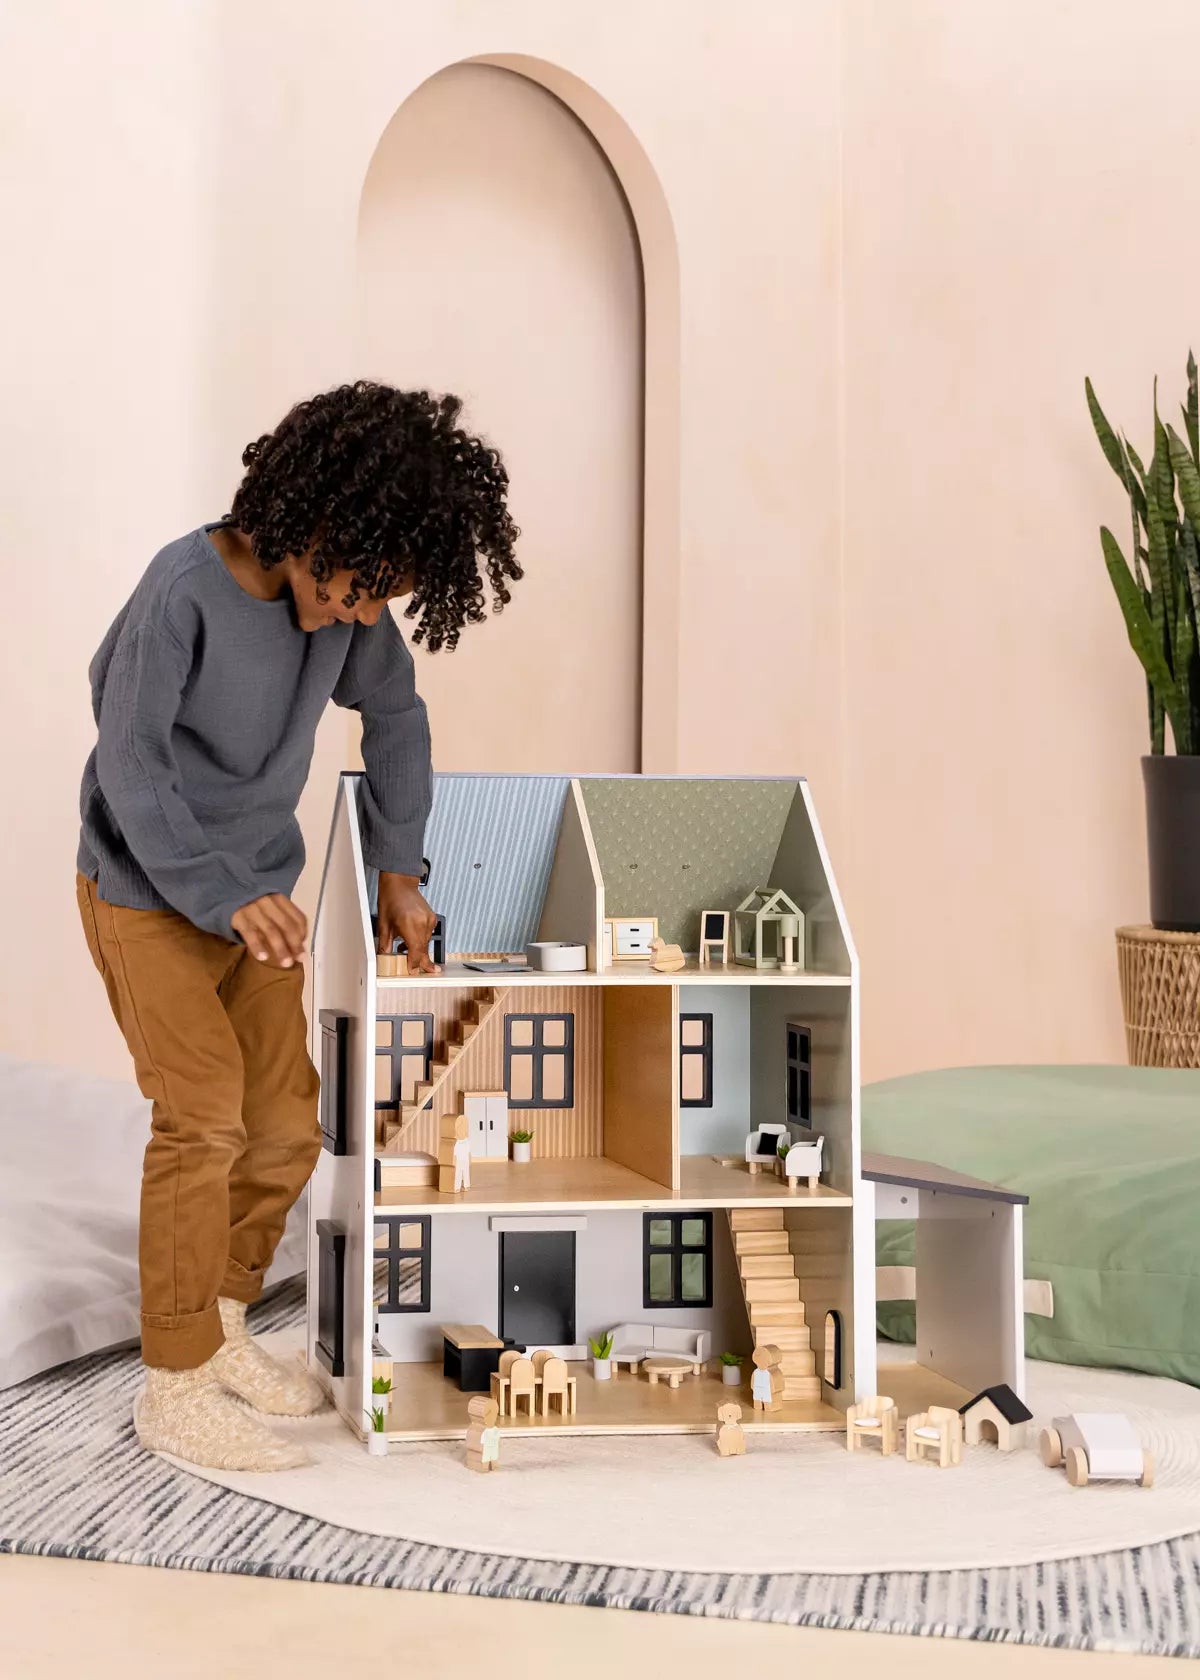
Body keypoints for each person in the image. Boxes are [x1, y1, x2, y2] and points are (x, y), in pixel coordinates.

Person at [76, 382, 521, 1471]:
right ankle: (174, 1377)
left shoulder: (346, 605)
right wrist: (215, 890)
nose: (359, 616)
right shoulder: (181, 592)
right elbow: (128, 758)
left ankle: (221, 1321)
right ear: (310, 520)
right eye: (354, 589)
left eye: (382, 599)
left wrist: (400, 869)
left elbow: (397, 718)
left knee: (284, 1124)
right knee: (201, 1120)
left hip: (256, 906)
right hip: (146, 894)